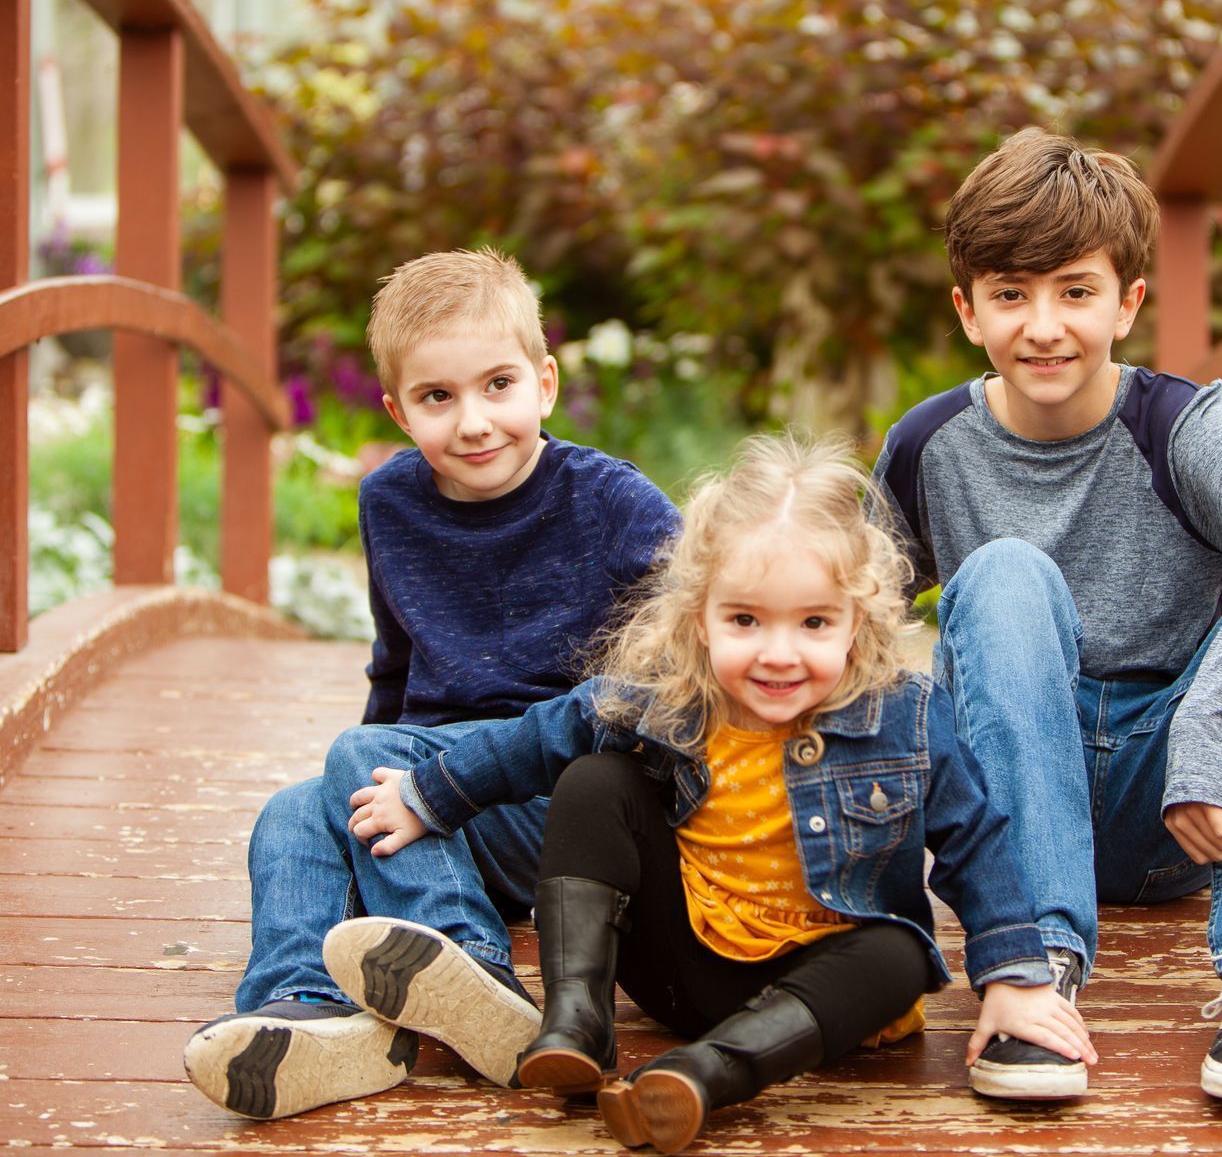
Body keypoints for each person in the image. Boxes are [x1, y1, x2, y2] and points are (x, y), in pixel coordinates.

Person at [330, 434, 1095, 1154]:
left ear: (857, 624)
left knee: (902, 951)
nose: (777, 653)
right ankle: (576, 1021)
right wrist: (427, 795)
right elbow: (534, 740)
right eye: (744, 620)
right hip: (681, 969)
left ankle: (703, 1076)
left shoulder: (903, 714)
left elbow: (976, 841)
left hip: (825, 991)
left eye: (814, 623)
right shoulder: (666, 698)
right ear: (698, 618)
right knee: (595, 779)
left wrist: (1015, 977)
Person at [869, 127, 1222, 1108]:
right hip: (1005, 806)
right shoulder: (931, 445)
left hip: (1178, 804)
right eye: (1011, 294)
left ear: (1128, 301)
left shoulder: (1175, 423)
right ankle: (1033, 968)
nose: (1044, 325)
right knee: (1005, 573)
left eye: (1075, 290)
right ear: (968, 309)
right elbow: (843, 615)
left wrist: (1206, 729)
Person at [182, 248, 681, 1120]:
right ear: (396, 409)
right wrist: (364, 782)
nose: (474, 421)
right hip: (434, 798)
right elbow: (396, 662)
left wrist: (379, 764)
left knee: (358, 757)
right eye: (437, 398)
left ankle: (470, 962)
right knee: (295, 812)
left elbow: (675, 670)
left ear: (546, 383)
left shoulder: (612, 501)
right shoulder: (391, 501)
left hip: (562, 796)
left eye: (498, 385)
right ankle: (307, 1013)